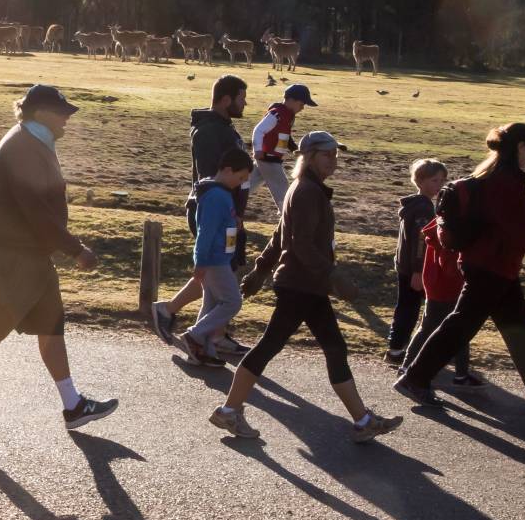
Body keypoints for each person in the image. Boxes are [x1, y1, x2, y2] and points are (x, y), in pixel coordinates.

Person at [0, 84, 118, 433]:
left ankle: (73, 405)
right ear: (41, 113)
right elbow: (35, 209)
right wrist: (75, 249)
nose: (67, 119)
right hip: (9, 255)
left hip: (30, 255)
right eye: (61, 113)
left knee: (51, 326)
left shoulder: (34, 142)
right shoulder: (22, 146)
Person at [210, 132, 403, 442]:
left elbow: (279, 235)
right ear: (310, 156)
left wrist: (262, 269)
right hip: (301, 285)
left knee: (331, 347)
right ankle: (229, 411)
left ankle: (363, 420)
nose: (334, 162)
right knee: (272, 346)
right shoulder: (306, 192)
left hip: (306, 285)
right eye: (328, 155)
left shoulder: (304, 189)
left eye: (336, 156)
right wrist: (334, 275)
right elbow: (298, 243)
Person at [396, 122, 525, 412]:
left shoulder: (488, 175)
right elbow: (518, 231)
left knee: (518, 327)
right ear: (521, 146)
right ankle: (415, 378)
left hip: (497, 267)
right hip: (490, 267)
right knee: (460, 325)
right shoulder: (505, 182)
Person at [151, 74, 251, 356]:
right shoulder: (208, 131)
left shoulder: (225, 128)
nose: (245, 103)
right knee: (218, 272)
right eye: (242, 98)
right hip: (214, 211)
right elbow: (212, 178)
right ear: (226, 99)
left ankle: (208, 336)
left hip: (229, 212)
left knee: (220, 272)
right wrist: (231, 213)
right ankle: (192, 328)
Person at [176, 148, 255, 367]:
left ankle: (204, 350)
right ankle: (194, 336)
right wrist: (200, 262)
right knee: (232, 302)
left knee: (211, 305)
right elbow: (206, 232)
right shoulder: (215, 195)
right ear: (228, 170)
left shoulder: (221, 193)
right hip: (214, 260)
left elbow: (218, 225)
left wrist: (233, 224)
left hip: (219, 258)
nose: (240, 184)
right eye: (240, 178)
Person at [400, 208, 482, 388]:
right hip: (447, 286)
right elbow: (450, 266)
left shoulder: (441, 221)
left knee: (433, 326)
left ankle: (407, 366)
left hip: (436, 283)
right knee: (458, 327)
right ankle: (460, 375)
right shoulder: (452, 227)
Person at [385, 158, 445, 364]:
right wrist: (419, 271)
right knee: (410, 310)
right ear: (419, 181)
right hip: (414, 269)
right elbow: (421, 243)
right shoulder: (422, 209)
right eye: (434, 181)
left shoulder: (416, 205)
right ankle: (398, 350)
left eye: (442, 181)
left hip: (405, 266)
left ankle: (397, 348)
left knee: (406, 308)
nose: (439, 186)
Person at [247, 82, 316, 210]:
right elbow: (258, 130)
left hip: (271, 158)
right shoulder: (276, 114)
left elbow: (285, 137)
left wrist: (296, 150)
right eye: (301, 104)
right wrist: (258, 150)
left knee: (247, 185)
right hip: (268, 158)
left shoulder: (289, 116)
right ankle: (287, 216)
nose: (302, 108)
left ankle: (230, 201)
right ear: (290, 100)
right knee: (282, 190)